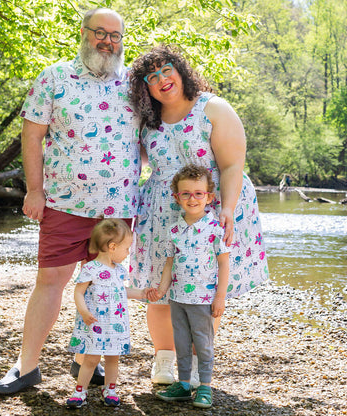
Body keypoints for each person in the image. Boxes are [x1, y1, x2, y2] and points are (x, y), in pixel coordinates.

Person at [0, 8, 141, 394]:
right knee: (51, 280)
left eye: (115, 36)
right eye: (100, 33)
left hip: (118, 207)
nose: (108, 41)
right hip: (64, 202)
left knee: (102, 286)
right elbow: (31, 137)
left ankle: (85, 359)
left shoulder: (135, 85)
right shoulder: (54, 77)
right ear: (84, 33)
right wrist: (35, 189)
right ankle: (26, 367)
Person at [128, 45, 269, 387]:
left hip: (211, 210)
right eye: (152, 77)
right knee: (159, 290)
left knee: (203, 291)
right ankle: (163, 361)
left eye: (167, 70)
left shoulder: (212, 107)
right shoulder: (147, 121)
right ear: (145, 87)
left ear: (181, 71)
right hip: (162, 215)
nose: (162, 80)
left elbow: (233, 164)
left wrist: (228, 210)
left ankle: (194, 364)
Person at [147, 164, 230, 408]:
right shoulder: (174, 230)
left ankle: (204, 386)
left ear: (209, 197)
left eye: (198, 193)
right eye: (186, 193)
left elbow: (224, 265)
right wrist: (162, 289)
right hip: (177, 298)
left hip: (204, 299)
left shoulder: (215, 229)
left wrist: (220, 297)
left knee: (202, 344)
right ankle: (183, 384)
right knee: (181, 342)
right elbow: (169, 264)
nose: (192, 199)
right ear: (177, 197)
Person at [66, 219, 151, 408]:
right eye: (127, 248)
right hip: (96, 323)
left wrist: (141, 293)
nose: (128, 252)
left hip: (115, 323)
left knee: (113, 357)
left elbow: (121, 292)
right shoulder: (90, 268)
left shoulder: (119, 271)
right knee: (91, 358)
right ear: (112, 246)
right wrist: (84, 311)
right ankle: (80, 390)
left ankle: (110, 389)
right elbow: (78, 292)